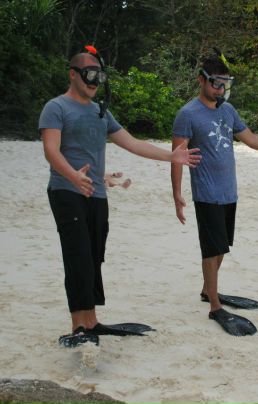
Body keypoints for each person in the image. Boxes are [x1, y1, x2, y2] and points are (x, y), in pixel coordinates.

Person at [40, 49, 201, 348]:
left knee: (93, 257)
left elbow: (132, 142)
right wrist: (73, 175)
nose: (94, 81)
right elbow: (51, 149)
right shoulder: (56, 107)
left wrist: (170, 156)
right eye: (89, 74)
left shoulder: (100, 111)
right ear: (73, 74)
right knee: (77, 256)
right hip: (66, 191)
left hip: (97, 194)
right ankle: (78, 326)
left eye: (99, 76)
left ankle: (91, 321)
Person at [171, 56, 258, 336]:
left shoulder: (228, 110)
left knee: (222, 247)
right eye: (216, 83)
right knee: (211, 250)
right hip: (207, 193)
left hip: (228, 191)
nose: (220, 89)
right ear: (201, 80)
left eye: (225, 84)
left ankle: (207, 290)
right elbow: (177, 156)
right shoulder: (188, 114)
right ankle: (214, 306)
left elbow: (251, 139)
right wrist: (177, 193)